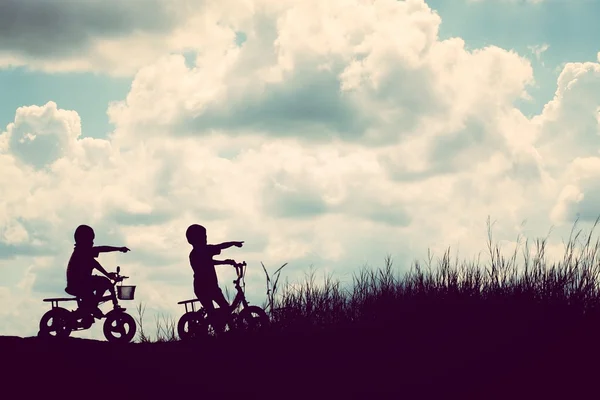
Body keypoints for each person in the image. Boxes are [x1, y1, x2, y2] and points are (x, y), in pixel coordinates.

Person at [65, 224, 130, 318]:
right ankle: (92, 307)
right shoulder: (81, 251)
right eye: (90, 240)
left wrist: (107, 274)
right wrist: (118, 249)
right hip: (78, 284)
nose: (92, 242)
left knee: (104, 282)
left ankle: (90, 307)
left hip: (81, 282)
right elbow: (101, 250)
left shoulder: (83, 252)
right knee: (104, 282)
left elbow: (94, 263)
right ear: (83, 240)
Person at [185, 224, 243, 321]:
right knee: (212, 312)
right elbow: (207, 262)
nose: (206, 238)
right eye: (203, 236)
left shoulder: (206, 249)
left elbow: (220, 246)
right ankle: (216, 329)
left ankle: (225, 327)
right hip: (202, 287)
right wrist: (225, 262)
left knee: (225, 308)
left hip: (213, 286)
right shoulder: (195, 254)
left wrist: (233, 243)